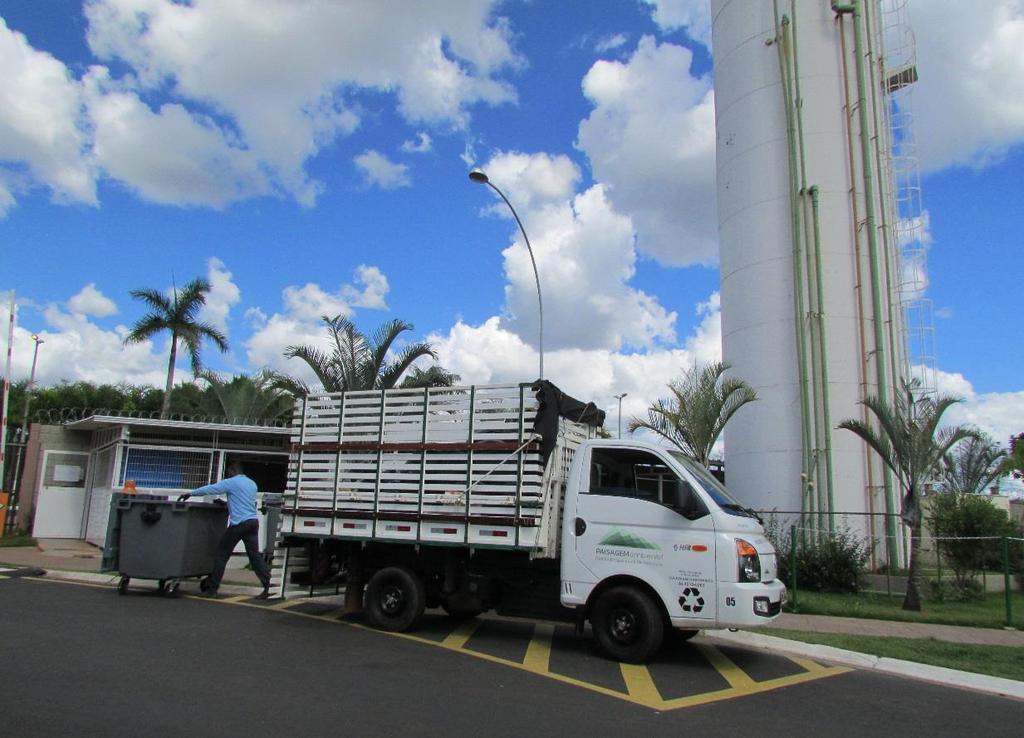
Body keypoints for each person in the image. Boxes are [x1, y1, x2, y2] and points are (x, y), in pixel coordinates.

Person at [179, 461, 271, 599]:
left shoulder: (232, 482)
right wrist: (226, 503)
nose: (227, 475)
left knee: (221, 555)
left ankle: (212, 589)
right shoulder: (252, 483)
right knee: (254, 556)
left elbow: (211, 489)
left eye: (229, 472)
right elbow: (242, 501)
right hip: (252, 522)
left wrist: (190, 493)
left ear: (234, 470)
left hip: (239, 524)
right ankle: (268, 586)